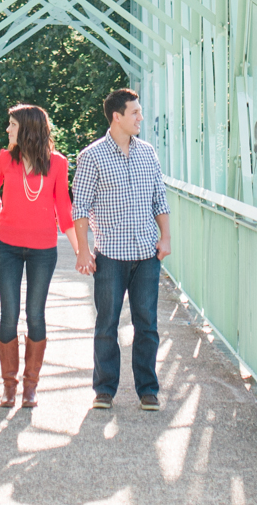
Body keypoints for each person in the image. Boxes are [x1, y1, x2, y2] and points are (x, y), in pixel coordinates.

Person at [72, 88, 171, 412]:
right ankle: (104, 390)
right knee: (107, 323)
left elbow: (159, 199)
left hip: (146, 253)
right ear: (117, 117)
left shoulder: (148, 153)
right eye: (135, 113)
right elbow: (80, 208)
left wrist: (165, 237)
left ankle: (148, 389)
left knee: (147, 324)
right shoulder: (91, 156)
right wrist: (83, 252)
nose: (141, 118)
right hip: (111, 254)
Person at [0, 103, 84, 408]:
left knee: (36, 314)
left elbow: (64, 210)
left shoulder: (57, 163)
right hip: (7, 249)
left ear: (26, 128)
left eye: (12, 125)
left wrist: (81, 251)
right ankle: (9, 387)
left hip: (43, 250)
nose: (7, 130)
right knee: (9, 314)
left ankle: (30, 387)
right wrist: (5, 218)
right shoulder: (4, 159)